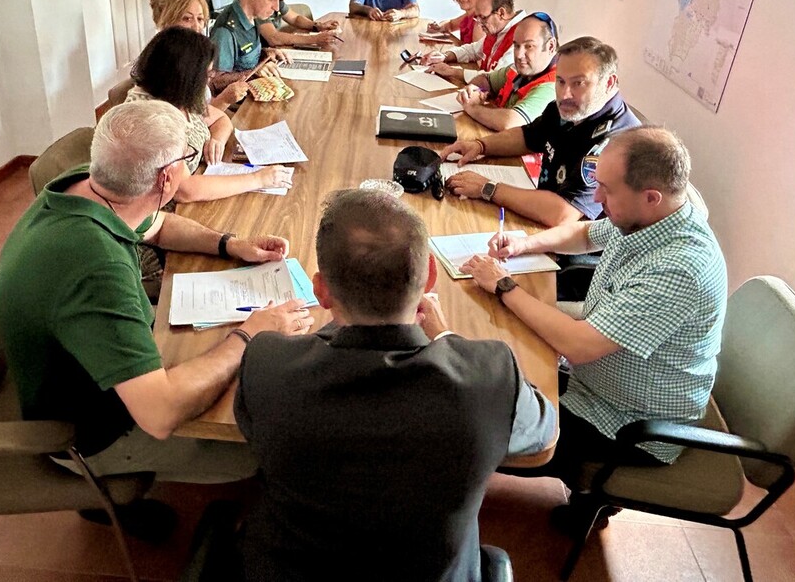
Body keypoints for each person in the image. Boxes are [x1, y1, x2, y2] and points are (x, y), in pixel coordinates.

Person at [234, 189, 555, 581]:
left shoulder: (267, 363)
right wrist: (447, 339)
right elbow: (543, 431)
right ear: (430, 277)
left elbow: (253, 431)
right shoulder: (489, 374)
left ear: (321, 291)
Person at [0, 100, 314, 486]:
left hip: (79, 368)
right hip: (92, 433)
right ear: (166, 178)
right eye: (187, 158)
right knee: (268, 438)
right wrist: (250, 336)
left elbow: (157, 224)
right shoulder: (96, 267)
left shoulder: (89, 185)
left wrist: (230, 245)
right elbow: (160, 414)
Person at [459, 127, 727, 523]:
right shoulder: (652, 216)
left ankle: (591, 494)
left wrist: (503, 285)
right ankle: (591, 499)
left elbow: (579, 345)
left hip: (629, 422)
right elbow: (585, 233)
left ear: (651, 196)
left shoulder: (682, 268)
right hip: (599, 379)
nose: (596, 198)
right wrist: (524, 245)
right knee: (498, 371)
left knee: (475, 430)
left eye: (607, 190)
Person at [441, 36, 641, 228]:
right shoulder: (569, 108)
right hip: (540, 219)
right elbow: (529, 136)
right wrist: (480, 145)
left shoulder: (616, 142)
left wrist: (488, 188)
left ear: (609, 83)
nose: (565, 94)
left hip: (575, 249)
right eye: (560, 81)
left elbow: (563, 214)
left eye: (578, 83)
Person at [127, 27, 293, 199]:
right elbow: (185, 191)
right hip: (163, 208)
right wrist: (258, 179)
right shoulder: (151, 118)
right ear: (183, 76)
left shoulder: (180, 94)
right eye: (206, 74)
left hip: (202, 177)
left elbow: (221, 118)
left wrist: (217, 140)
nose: (210, 79)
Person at [456, 12, 560, 131]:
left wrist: (472, 107)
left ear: (551, 46)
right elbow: (486, 79)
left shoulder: (554, 85)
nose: (519, 55)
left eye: (529, 46)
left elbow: (510, 122)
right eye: (516, 46)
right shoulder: (520, 69)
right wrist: (474, 90)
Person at [149, 0, 250, 109]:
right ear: (167, 23)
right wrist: (224, 99)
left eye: (200, 19)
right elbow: (192, 122)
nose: (197, 26)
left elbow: (204, 104)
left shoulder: (191, 57)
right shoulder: (167, 66)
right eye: (187, 18)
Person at [420, 0, 525, 85]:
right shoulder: (499, 29)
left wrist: (452, 72)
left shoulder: (522, 36)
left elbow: (495, 79)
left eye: (483, 17)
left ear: (501, 13)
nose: (479, 23)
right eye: (477, 18)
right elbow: (472, 50)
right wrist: (445, 56)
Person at [211, 0, 290, 73]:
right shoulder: (225, 32)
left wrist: (266, 53)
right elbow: (216, 80)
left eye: (278, 0)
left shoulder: (254, 15)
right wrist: (254, 72)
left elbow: (243, 57)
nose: (276, 8)